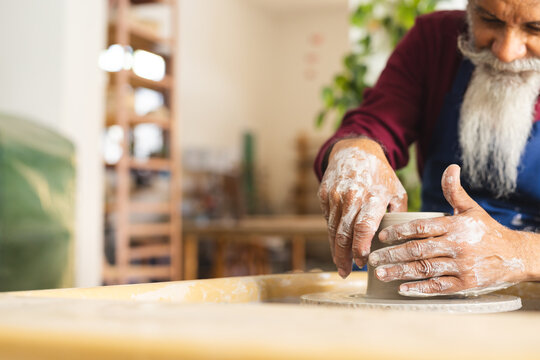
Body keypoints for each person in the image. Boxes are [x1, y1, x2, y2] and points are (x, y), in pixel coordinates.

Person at [315, 0, 540, 297]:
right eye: (490, 20)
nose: (506, 52)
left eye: (535, 28)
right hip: (427, 273)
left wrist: (518, 252)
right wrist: (356, 151)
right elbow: (376, 121)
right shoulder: (434, 39)